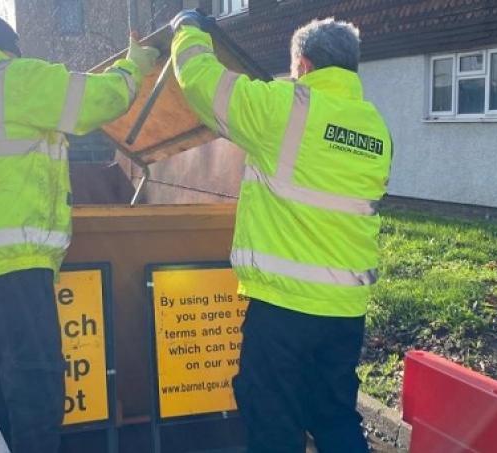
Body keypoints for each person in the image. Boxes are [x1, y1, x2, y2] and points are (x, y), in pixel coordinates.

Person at [0, 9, 158, 452]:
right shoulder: (11, 77)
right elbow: (96, 100)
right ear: (8, 48)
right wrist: (134, 66)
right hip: (12, 259)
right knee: (37, 387)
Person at [169, 11, 393, 453]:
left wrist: (187, 30)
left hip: (284, 309)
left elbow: (201, 82)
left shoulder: (286, 107)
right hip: (345, 310)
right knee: (334, 418)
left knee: (273, 421)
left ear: (304, 65)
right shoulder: (376, 129)